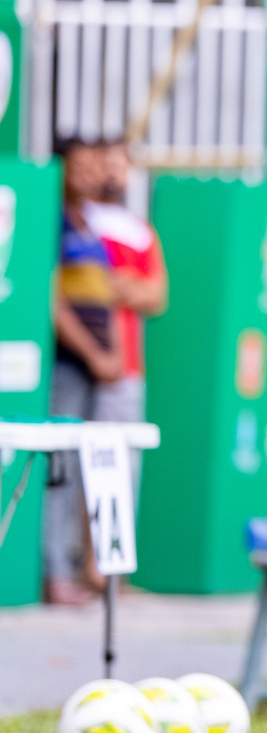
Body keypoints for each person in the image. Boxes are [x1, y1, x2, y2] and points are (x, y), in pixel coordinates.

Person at [46, 137, 121, 605]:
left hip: (95, 368)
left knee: (80, 471)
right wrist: (93, 352)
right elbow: (49, 297)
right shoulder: (51, 220)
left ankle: (72, 566)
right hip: (68, 365)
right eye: (83, 166)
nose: (93, 174)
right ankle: (54, 574)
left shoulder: (90, 224)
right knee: (57, 471)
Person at [83, 139, 168, 501]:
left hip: (127, 370)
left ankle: (100, 560)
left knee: (117, 476)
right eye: (107, 163)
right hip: (79, 362)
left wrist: (120, 285)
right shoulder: (79, 220)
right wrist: (123, 285)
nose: (114, 173)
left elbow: (157, 296)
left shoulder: (141, 232)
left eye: (122, 165)